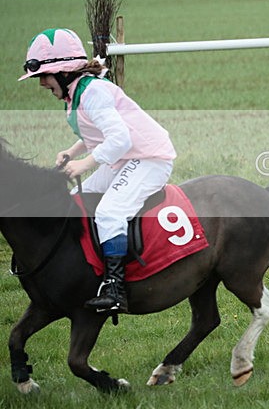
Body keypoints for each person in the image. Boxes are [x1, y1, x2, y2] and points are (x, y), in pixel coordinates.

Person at [19, 28, 176, 313]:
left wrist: (85, 164)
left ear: (64, 71)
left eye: (43, 76)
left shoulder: (93, 93)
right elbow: (96, 131)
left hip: (150, 158)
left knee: (108, 212)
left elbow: (120, 140)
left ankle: (116, 289)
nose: (41, 84)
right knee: (80, 201)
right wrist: (72, 151)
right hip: (128, 158)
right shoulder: (77, 93)